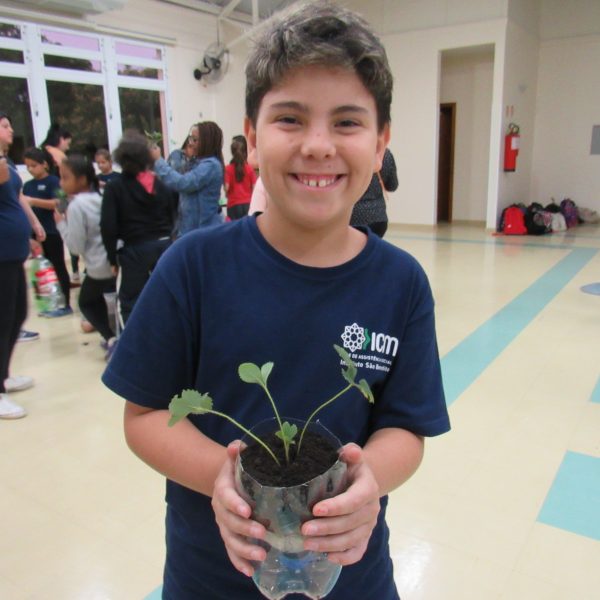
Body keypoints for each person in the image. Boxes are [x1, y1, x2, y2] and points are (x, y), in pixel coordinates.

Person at [102, 4, 450, 599]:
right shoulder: (193, 267)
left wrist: (368, 480)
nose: (318, 145)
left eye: (347, 122)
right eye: (290, 118)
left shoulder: (402, 282)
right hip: (214, 579)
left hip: (352, 579)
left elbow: (406, 428)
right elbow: (145, 417)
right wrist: (222, 477)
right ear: (254, 138)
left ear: (380, 144)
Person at [101, 131, 176, 324]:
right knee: (166, 297)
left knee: (130, 302)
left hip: (135, 250)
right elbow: (173, 211)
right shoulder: (160, 184)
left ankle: (135, 340)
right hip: (165, 246)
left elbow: (108, 226)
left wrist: (112, 259)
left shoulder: (115, 187)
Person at [0, 111, 45, 419]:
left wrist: (33, 226)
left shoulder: (7, 162)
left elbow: (16, 197)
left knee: (17, 314)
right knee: (3, 319)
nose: (11, 129)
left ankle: (4, 374)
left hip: (14, 250)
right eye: (4, 125)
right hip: (1, 252)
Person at [54, 155, 116, 358]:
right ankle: (112, 335)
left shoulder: (77, 206)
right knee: (102, 298)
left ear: (82, 179)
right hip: (117, 259)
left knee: (86, 302)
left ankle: (111, 338)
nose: (61, 183)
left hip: (99, 265)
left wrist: (60, 223)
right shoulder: (102, 196)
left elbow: (75, 247)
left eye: (65, 177)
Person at [22, 147, 73, 317]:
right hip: (36, 235)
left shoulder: (55, 181)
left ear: (44, 164)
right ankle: (48, 304)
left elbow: (60, 203)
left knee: (58, 266)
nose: (30, 169)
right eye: (27, 166)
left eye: (33, 165)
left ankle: (65, 304)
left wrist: (34, 201)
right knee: (41, 271)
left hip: (52, 232)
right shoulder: (27, 185)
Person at [151, 121, 224, 235]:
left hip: (203, 232)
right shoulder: (197, 163)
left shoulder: (210, 165)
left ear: (206, 142)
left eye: (195, 140)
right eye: (190, 139)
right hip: (191, 230)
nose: (191, 144)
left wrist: (158, 161)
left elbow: (183, 183)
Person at [350, 148, 398, 238]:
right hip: (378, 218)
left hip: (352, 217)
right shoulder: (386, 154)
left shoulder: (351, 152)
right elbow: (392, 186)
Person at [224, 136, 256, 220]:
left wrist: (226, 192)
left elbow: (226, 187)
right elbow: (254, 187)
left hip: (233, 205)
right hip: (247, 203)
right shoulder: (249, 168)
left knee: (235, 227)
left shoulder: (228, 169)